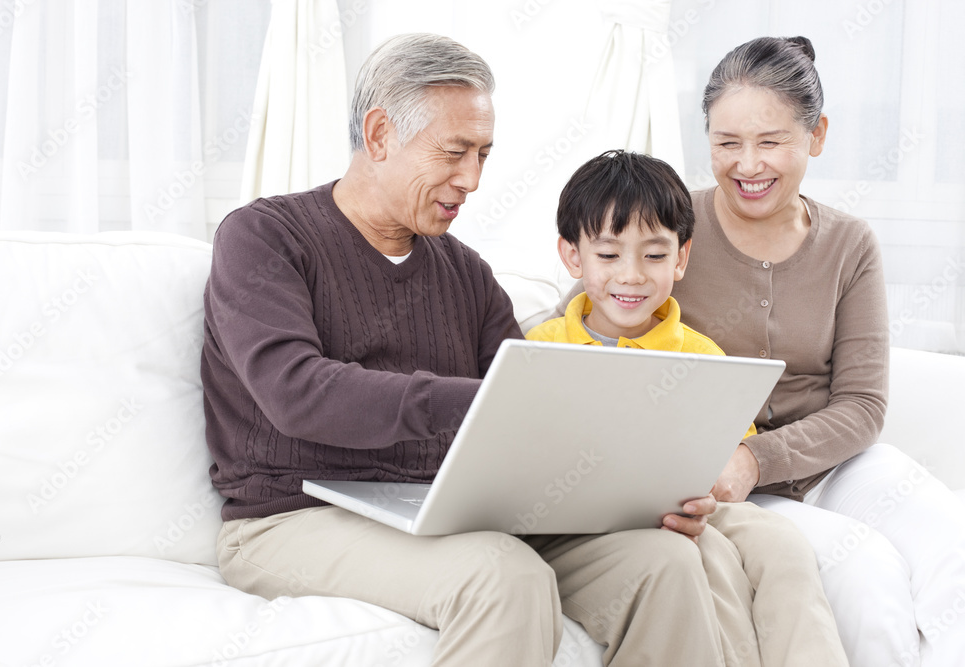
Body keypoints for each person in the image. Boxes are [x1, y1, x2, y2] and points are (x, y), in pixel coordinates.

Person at [202, 32, 765, 667]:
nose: (471, 179)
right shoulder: (264, 238)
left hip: (452, 511)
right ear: (381, 134)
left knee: (663, 562)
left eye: (484, 154)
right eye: (454, 152)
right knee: (504, 576)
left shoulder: (464, 271)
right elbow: (295, 391)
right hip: (292, 516)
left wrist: (647, 492)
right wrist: (472, 401)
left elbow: (535, 413)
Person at [555, 36, 965, 667]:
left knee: (951, 541)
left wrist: (757, 456)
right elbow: (589, 310)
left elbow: (862, 404)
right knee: (866, 575)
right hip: (723, 484)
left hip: (836, 463)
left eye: (771, 141)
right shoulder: (669, 228)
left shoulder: (849, 244)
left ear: (817, 135)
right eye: (726, 143)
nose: (748, 165)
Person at [527, 148, 848, 667]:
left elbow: (726, 458)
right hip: (590, 517)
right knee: (711, 563)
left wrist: (704, 492)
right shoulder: (540, 349)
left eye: (654, 255)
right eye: (608, 255)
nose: (631, 276)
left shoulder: (700, 355)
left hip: (698, 506)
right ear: (572, 257)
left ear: (681, 258)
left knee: (783, 547)